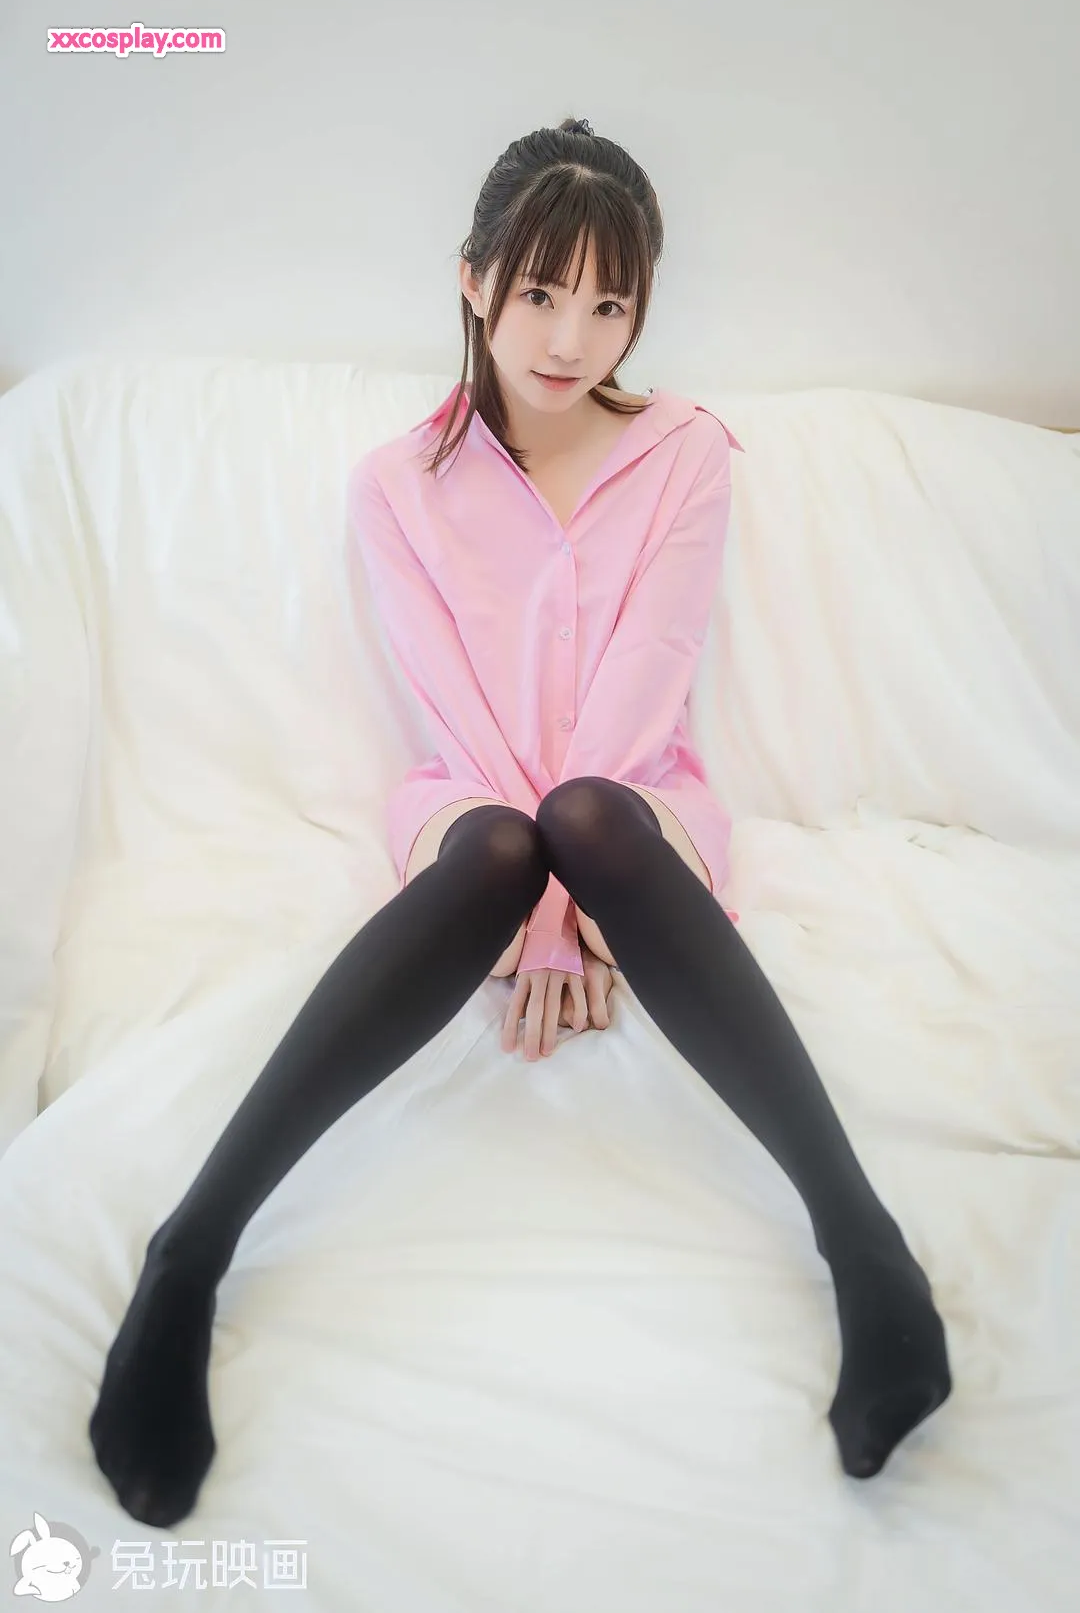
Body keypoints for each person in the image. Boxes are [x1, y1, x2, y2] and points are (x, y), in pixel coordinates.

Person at [89, 117, 951, 1530]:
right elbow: (453, 705)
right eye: (543, 291)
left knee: (589, 815)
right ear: (475, 279)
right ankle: (188, 1259)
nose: (572, 337)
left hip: (636, 810)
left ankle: (868, 1253)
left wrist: (582, 897)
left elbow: (649, 675)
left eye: (610, 304)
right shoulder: (398, 484)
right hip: (472, 809)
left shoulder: (685, 454)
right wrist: (547, 917)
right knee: (505, 836)